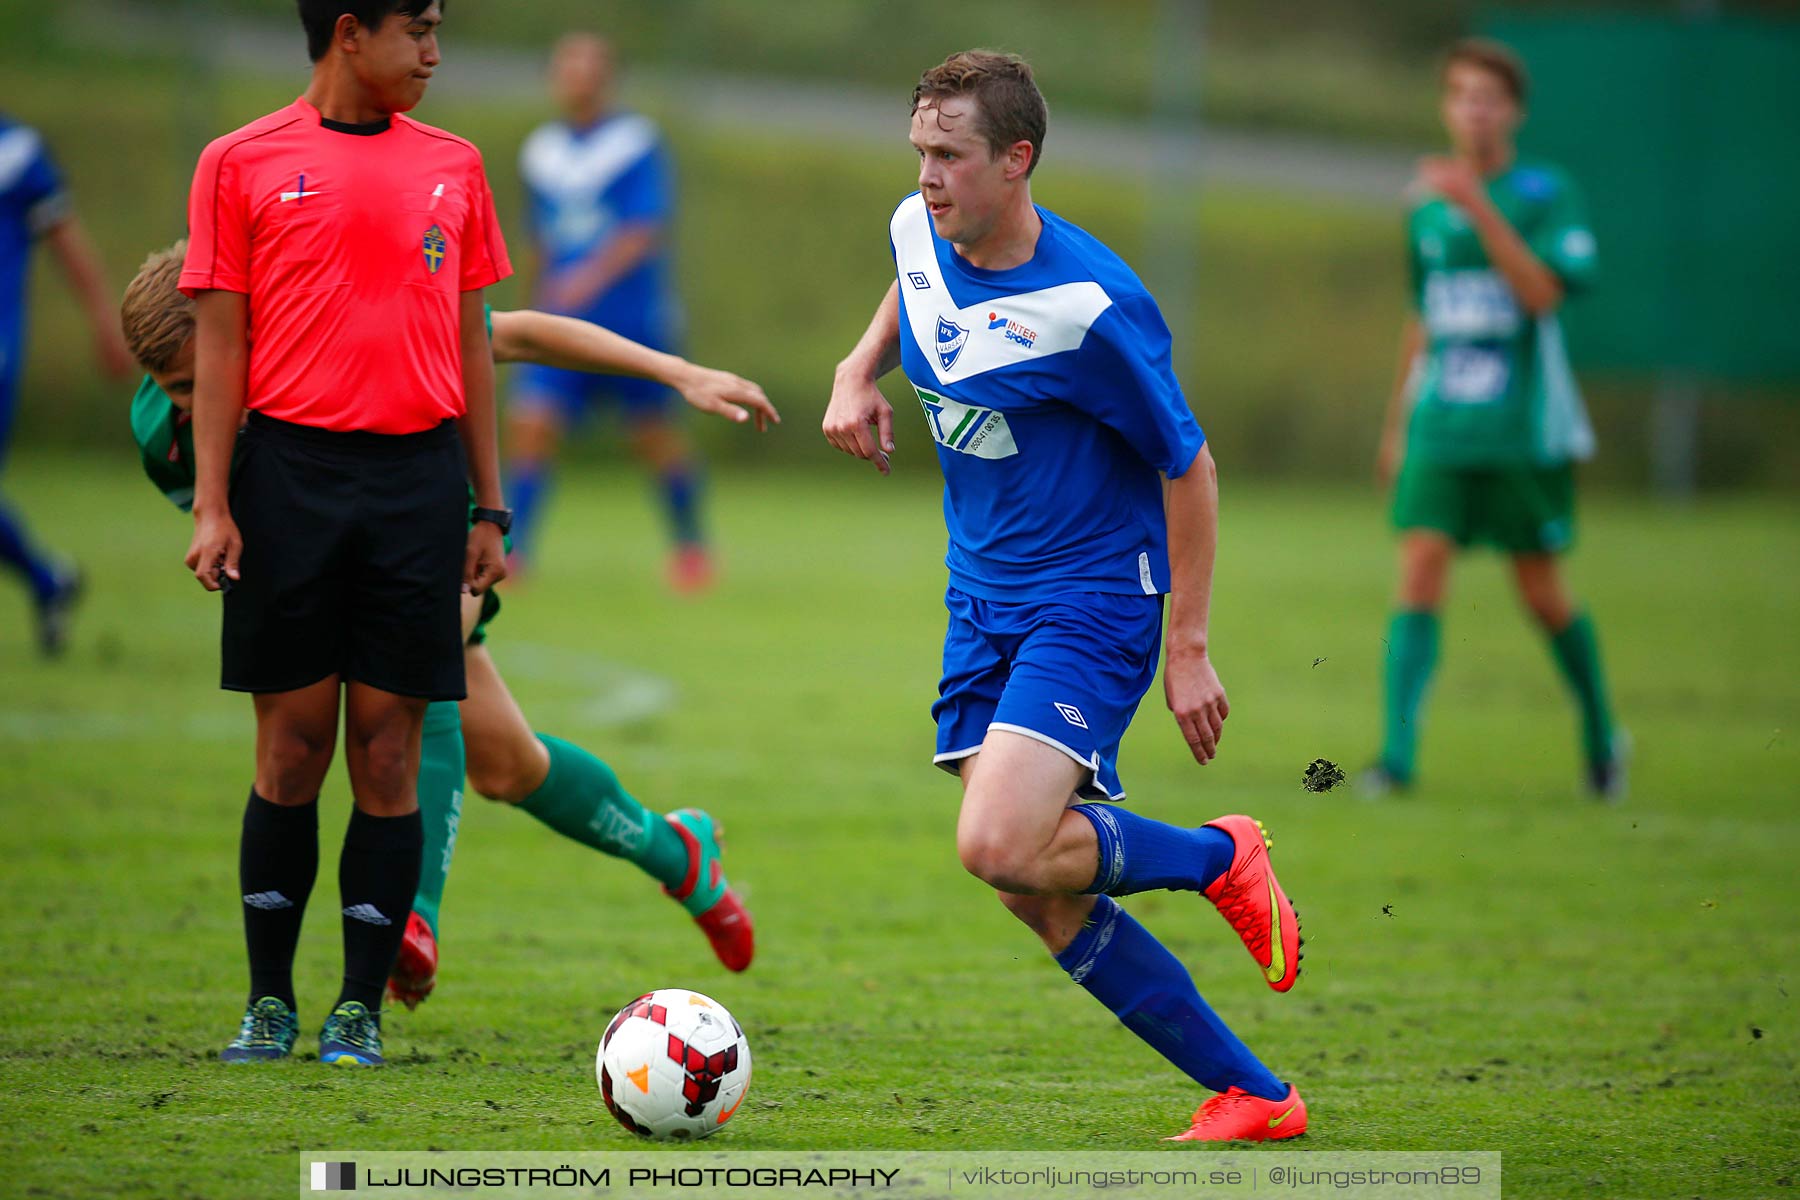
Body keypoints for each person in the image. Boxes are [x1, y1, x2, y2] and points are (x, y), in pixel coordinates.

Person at [822, 51, 1307, 1143]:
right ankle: (1258, 1097)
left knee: (997, 843)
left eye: (950, 157)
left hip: (1092, 597)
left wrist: (1189, 646)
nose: (928, 177)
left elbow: (1191, 465)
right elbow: (914, 293)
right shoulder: (922, 229)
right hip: (979, 598)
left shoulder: (1089, 307)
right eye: (919, 153)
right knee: (1033, 885)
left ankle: (1219, 856)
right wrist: (859, 371)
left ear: (1017, 160)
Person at [122, 243, 776, 1014]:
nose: (195, 403)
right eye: (177, 388)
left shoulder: (339, 325)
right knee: (508, 766)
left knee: (411, 668)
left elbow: (520, 335)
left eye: (206, 379)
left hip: (434, 525)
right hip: (325, 561)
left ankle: (413, 919)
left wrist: (679, 373)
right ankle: (680, 852)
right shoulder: (163, 438)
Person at [180, 0, 510, 1067]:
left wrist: (487, 504)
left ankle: (357, 1010)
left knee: (387, 747)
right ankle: (268, 1004)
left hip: (416, 484)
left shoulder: (455, 165)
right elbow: (221, 349)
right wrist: (215, 501)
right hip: (288, 479)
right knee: (290, 747)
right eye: (417, 28)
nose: (434, 51)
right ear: (347, 32)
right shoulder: (237, 162)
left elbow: (472, 351)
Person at [1368, 38, 1623, 800]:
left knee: (1542, 592)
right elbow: (1425, 316)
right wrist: (1396, 423)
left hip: (1522, 431)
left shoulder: (1546, 194)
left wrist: (1479, 207)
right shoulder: (1424, 208)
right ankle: (1397, 760)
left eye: (1488, 98)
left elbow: (1545, 294)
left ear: (1512, 111)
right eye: (1460, 96)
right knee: (1418, 572)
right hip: (1443, 426)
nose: (1473, 112)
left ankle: (1604, 739)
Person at [507, 33, 710, 590]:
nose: (577, 77)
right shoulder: (541, 150)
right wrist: (534, 306)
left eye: (588, 67)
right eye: (567, 67)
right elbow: (540, 237)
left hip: (629, 321)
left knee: (655, 435)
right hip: (560, 323)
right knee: (531, 425)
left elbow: (644, 229)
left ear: (607, 77)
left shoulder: (635, 142)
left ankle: (691, 548)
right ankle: (514, 551)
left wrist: (585, 278)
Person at [0, 112, 133, 654]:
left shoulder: (16, 152)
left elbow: (66, 238)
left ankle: (46, 580)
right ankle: (48, 580)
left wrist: (106, 322)